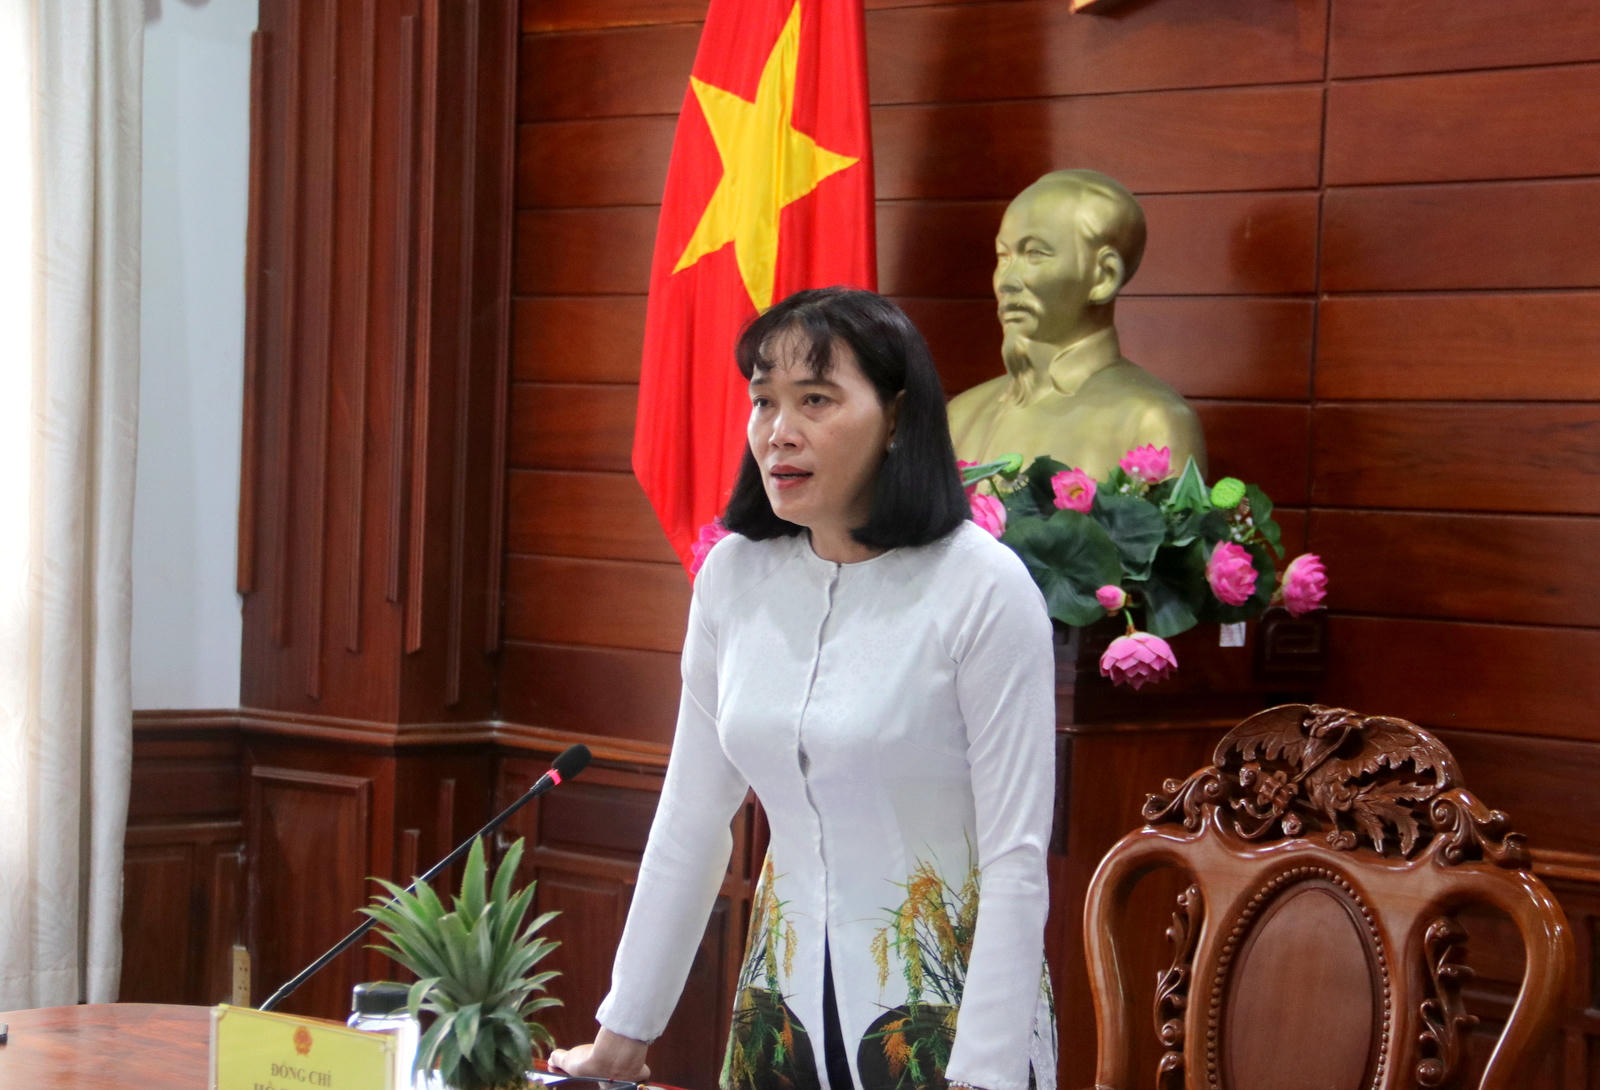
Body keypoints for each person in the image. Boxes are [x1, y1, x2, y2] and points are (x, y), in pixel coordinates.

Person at [549, 287, 1057, 1090]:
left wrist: (984, 1076)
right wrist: (623, 1037)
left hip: (945, 1018)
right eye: (764, 401)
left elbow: (1016, 857)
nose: (778, 431)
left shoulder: (983, 589)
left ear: (897, 416)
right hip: (778, 1012)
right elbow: (691, 817)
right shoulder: (733, 577)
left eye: (815, 400)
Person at [946, 169, 1206, 479]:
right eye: (1003, 256)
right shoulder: (960, 417)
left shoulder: (1152, 422)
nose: (1007, 281)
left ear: (1104, 276)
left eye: (1034, 253)